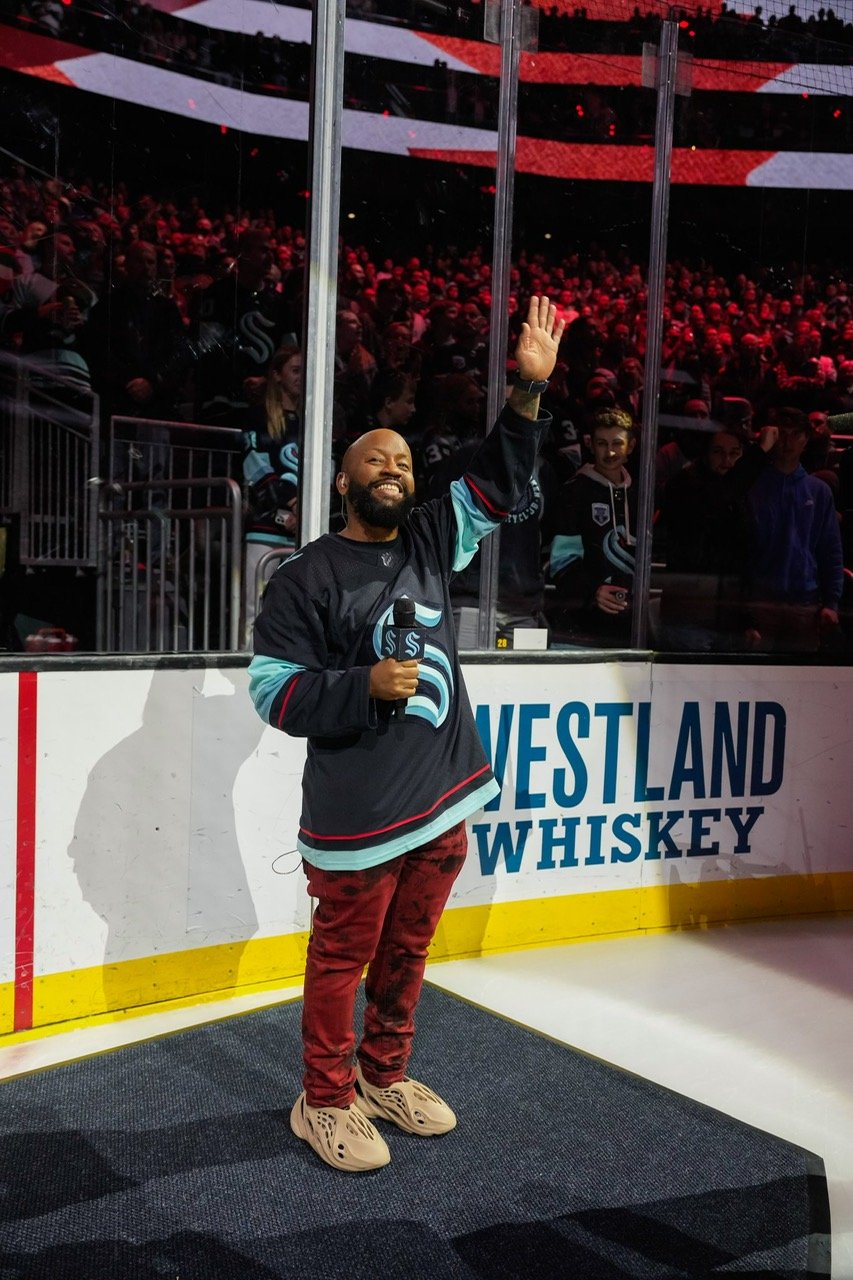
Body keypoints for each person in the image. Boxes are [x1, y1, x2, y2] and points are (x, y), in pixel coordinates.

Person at [247, 295, 564, 1172]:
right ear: (341, 483)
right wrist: (361, 687)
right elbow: (272, 693)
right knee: (341, 960)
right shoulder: (302, 576)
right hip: (357, 818)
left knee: (409, 953)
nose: (391, 468)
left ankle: (383, 1076)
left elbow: (499, 482)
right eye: (373, 460)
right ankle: (323, 1099)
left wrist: (527, 393)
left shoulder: (430, 537)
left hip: (441, 798)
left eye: (401, 461)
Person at [746, 407, 844, 652]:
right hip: (761, 601)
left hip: (804, 601)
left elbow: (830, 550)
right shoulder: (753, 486)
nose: (787, 442)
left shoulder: (819, 491)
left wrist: (831, 603)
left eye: (795, 434)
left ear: (806, 439)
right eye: (782, 434)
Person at [550, 407, 637, 645]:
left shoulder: (641, 495)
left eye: (617, 443)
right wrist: (592, 591)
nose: (610, 452)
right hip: (579, 630)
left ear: (631, 446)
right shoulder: (573, 492)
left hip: (629, 631)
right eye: (602, 443)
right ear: (590, 445)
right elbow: (561, 563)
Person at [241, 345, 302, 645]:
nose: (302, 377)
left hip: (302, 531)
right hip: (265, 528)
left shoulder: (312, 421)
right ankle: (246, 664)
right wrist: (293, 502)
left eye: (305, 371)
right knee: (255, 609)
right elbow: (254, 465)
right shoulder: (258, 417)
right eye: (295, 370)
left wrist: (305, 509)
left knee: (295, 612)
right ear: (277, 375)